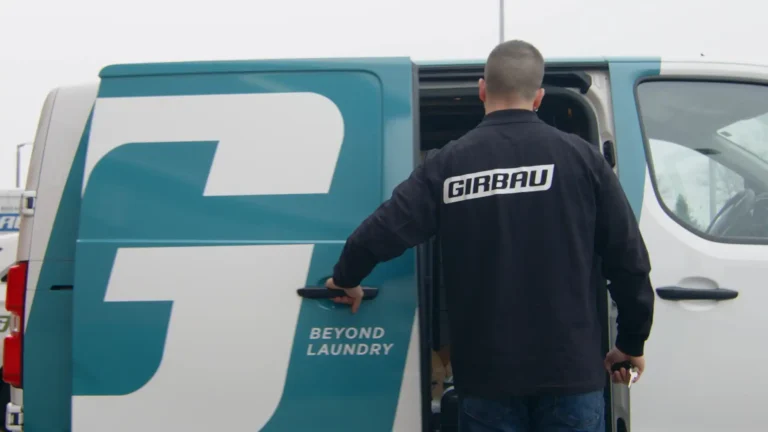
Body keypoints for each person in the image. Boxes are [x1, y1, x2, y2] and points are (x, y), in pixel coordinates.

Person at [325, 40, 655, 432]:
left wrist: (345, 279)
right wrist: (631, 343)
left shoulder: (448, 163)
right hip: (571, 376)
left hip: (487, 382)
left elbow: (377, 233)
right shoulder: (582, 158)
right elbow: (628, 261)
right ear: (539, 97)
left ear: (483, 89)